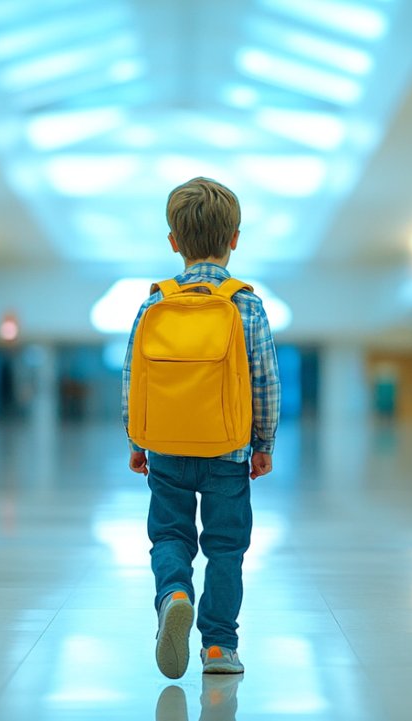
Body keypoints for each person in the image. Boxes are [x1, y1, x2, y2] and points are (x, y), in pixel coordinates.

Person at [122, 177, 281, 679]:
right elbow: (265, 379)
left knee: (169, 534)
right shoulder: (245, 303)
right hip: (228, 449)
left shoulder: (154, 303)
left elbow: (133, 376)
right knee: (226, 547)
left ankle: (172, 593)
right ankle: (218, 648)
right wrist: (263, 443)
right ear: (235, 238)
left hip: (166, 446)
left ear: (173, 240)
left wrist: (136, 438)